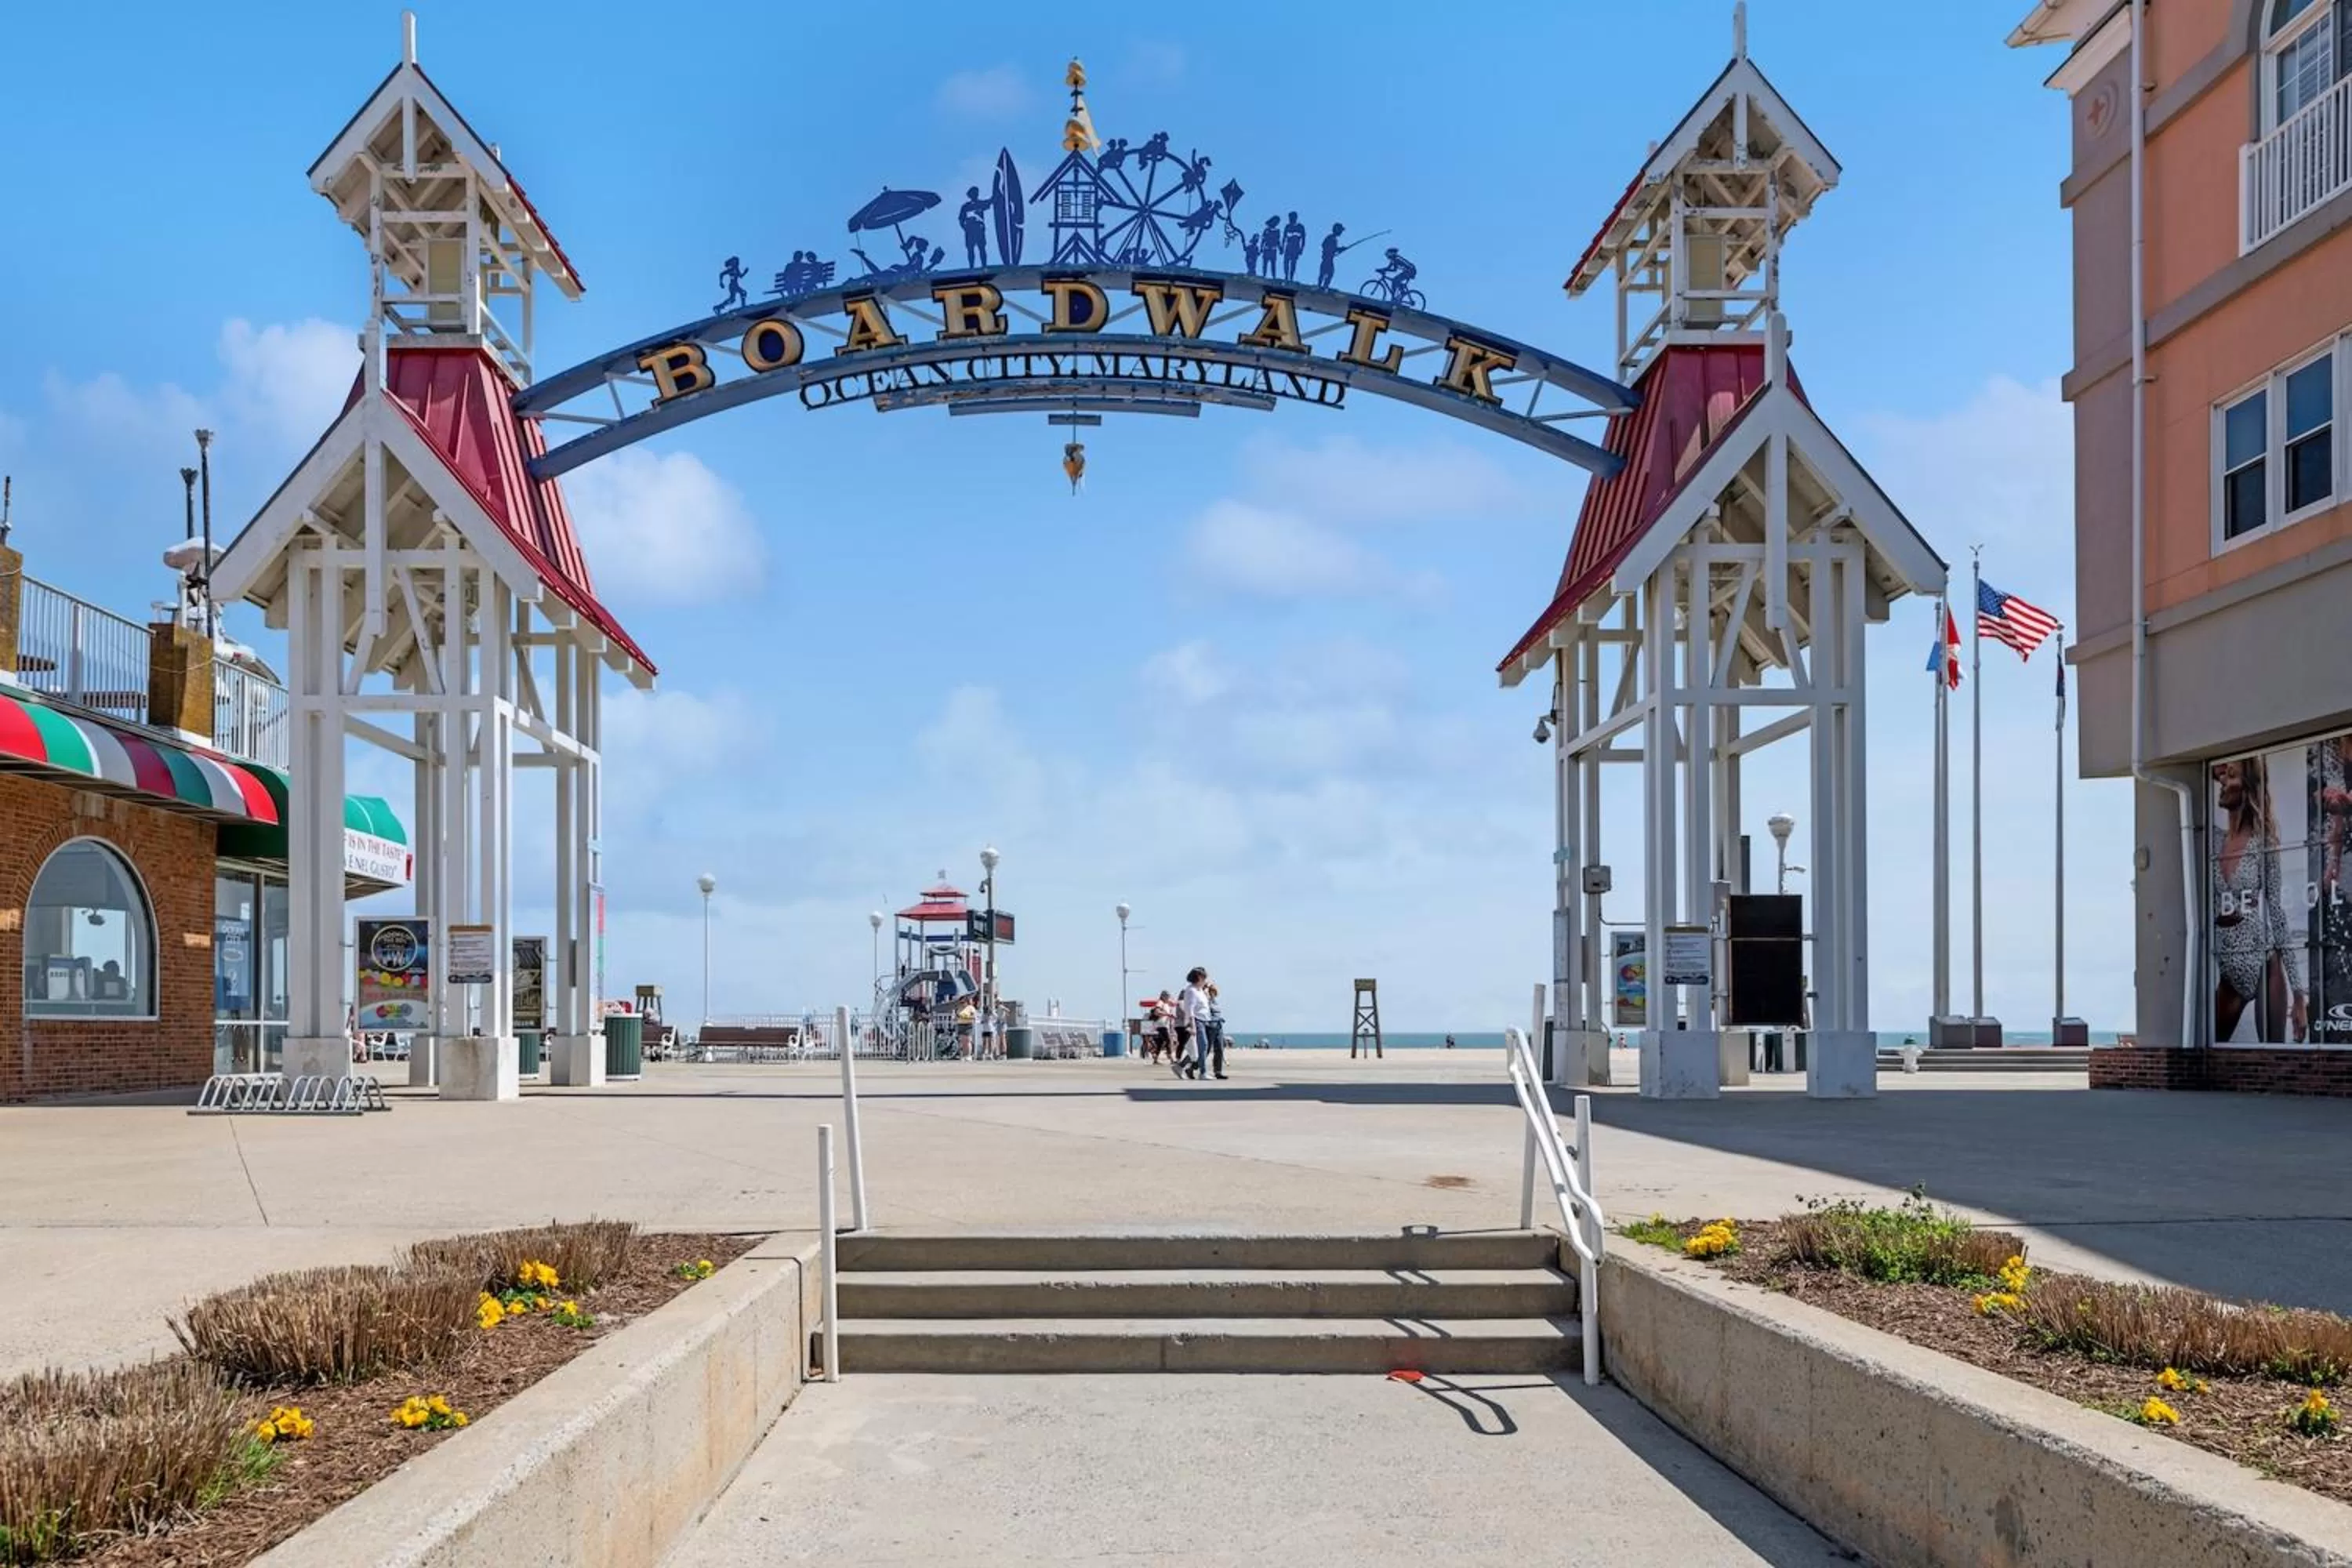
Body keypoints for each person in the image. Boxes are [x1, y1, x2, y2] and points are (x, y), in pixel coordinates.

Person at [2213, 757, 2309, 1043]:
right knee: (2211, 1047)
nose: (2222, 782)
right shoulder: (2213, 841)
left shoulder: (2262, 843)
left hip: (2265, 964)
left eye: (2231, 776)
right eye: (2222, 776)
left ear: (2248, 787)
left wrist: (2299, 994)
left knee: (2273, 1058)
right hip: (2230, 973)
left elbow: (2277, 913)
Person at [1175, 967, 1211, 1080]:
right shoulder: (1191, 990)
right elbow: (1190, 1009)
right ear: (1199, 977)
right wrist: (1193, 1025)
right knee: (1203, 1045)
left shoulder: (1199, 990)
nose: (1206, 980)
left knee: (1202, 1048)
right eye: (1205, 978)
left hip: (1205, 1021)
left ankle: (1181, 1067)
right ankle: (1203, 1073)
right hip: (1196, 1020)